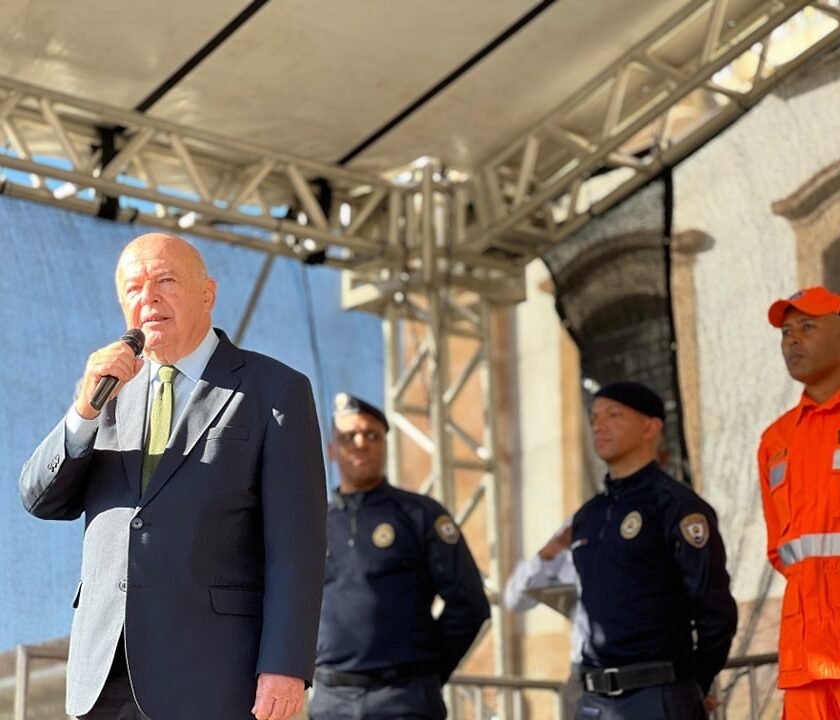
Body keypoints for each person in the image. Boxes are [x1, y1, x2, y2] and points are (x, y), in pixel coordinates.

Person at [19, 233, 327, 720]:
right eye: (134, 289)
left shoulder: (276, 390)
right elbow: (39, 499)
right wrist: (82, 413)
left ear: (207, 293)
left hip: (213, 673)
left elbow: (298, 547)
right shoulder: (109, 391)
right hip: (104, 675)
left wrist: (285, 668)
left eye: (165, 281)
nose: (149, 299)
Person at [310, 393, 491, 720]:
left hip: (404, 700)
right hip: (330, 702)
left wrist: (427, 671)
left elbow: (470, 604)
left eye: (371, 435)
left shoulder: (420, 514)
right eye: (348, 437)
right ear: (332, 451)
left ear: (385, 445)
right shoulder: (310, 524)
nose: (360, 443)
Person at [571, 381, 737, 719]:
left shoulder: (676, 506)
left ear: (650, 426)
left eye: (613, 415)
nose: (599, 426)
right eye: (594, 418)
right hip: (593, 700)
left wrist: (692, 686)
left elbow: (716, 613)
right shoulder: (588, 516)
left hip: (656, 696)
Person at [758, 286, 840, 719]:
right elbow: (781, 549)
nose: (792, 339)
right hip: (806, 661)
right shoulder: (776, 441)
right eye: (786, 332)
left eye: (808, 326)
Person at [503, 518, 587, 717]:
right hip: (583, 671)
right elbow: (514, 600)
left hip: (639, 667)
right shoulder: (583, 520)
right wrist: (547, 555)